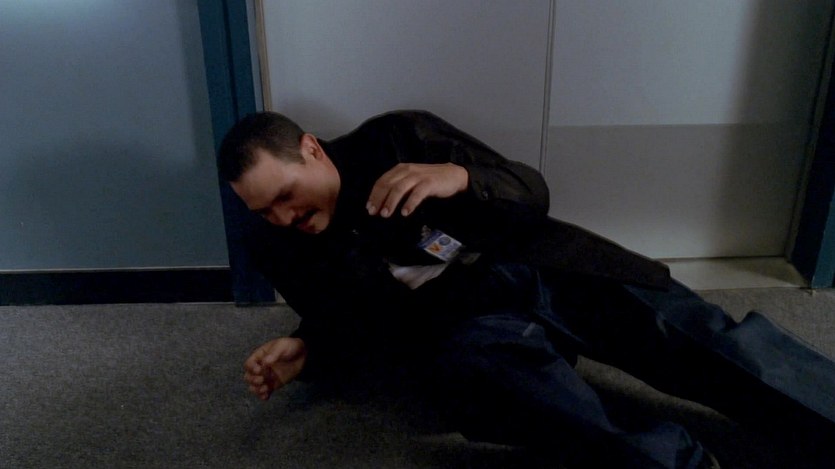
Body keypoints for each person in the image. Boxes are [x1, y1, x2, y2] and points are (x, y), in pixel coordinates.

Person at [218, 110, 835, 469]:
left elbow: (530, 192)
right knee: (558, 413)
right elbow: (346, 324)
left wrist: (461, 177)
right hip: (459, 325)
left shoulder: (396, 138)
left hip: (539, 265)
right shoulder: (275, 245)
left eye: (285, 196)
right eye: (263, 210)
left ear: (312, 150)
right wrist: (309, 350)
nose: (282, 218)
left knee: (700, 340)